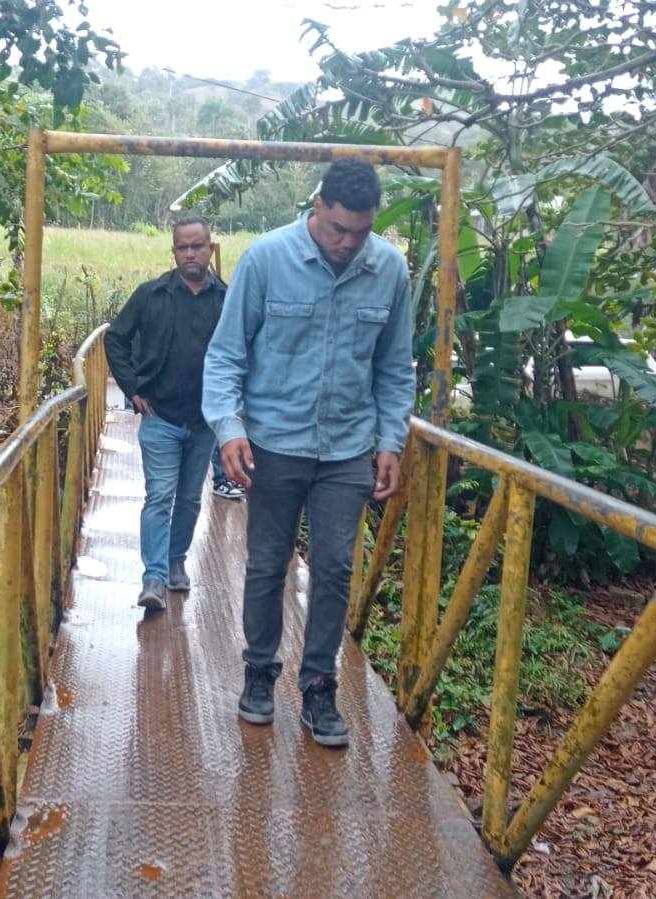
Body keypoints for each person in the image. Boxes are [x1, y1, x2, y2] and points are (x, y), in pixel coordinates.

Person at [202, 159, 415, 747]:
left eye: (361, 232)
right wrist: (229, 428)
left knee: (336, 566)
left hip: (347, 448)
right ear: (317, 206)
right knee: (267, 563)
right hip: (273, 443)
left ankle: (319, 685)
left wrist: (391, 441)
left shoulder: (389, 270)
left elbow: (395, 367)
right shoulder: (267, 259)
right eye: (338, 229)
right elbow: (226, 355)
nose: (348, 243)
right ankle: (259, 672)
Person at [105, 215, 226, 611]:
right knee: (159, 495)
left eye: (197, 246)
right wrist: (132, 388)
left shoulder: (225, 300)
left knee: (189, 499)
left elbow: (242, 351)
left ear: (210, 249)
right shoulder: (151, 295)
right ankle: (153, 578)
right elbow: (116, 339)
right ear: (173, 251)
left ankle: (176, 561)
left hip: (204, 422)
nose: (190, 253)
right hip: (160, 417)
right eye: (182, 247)